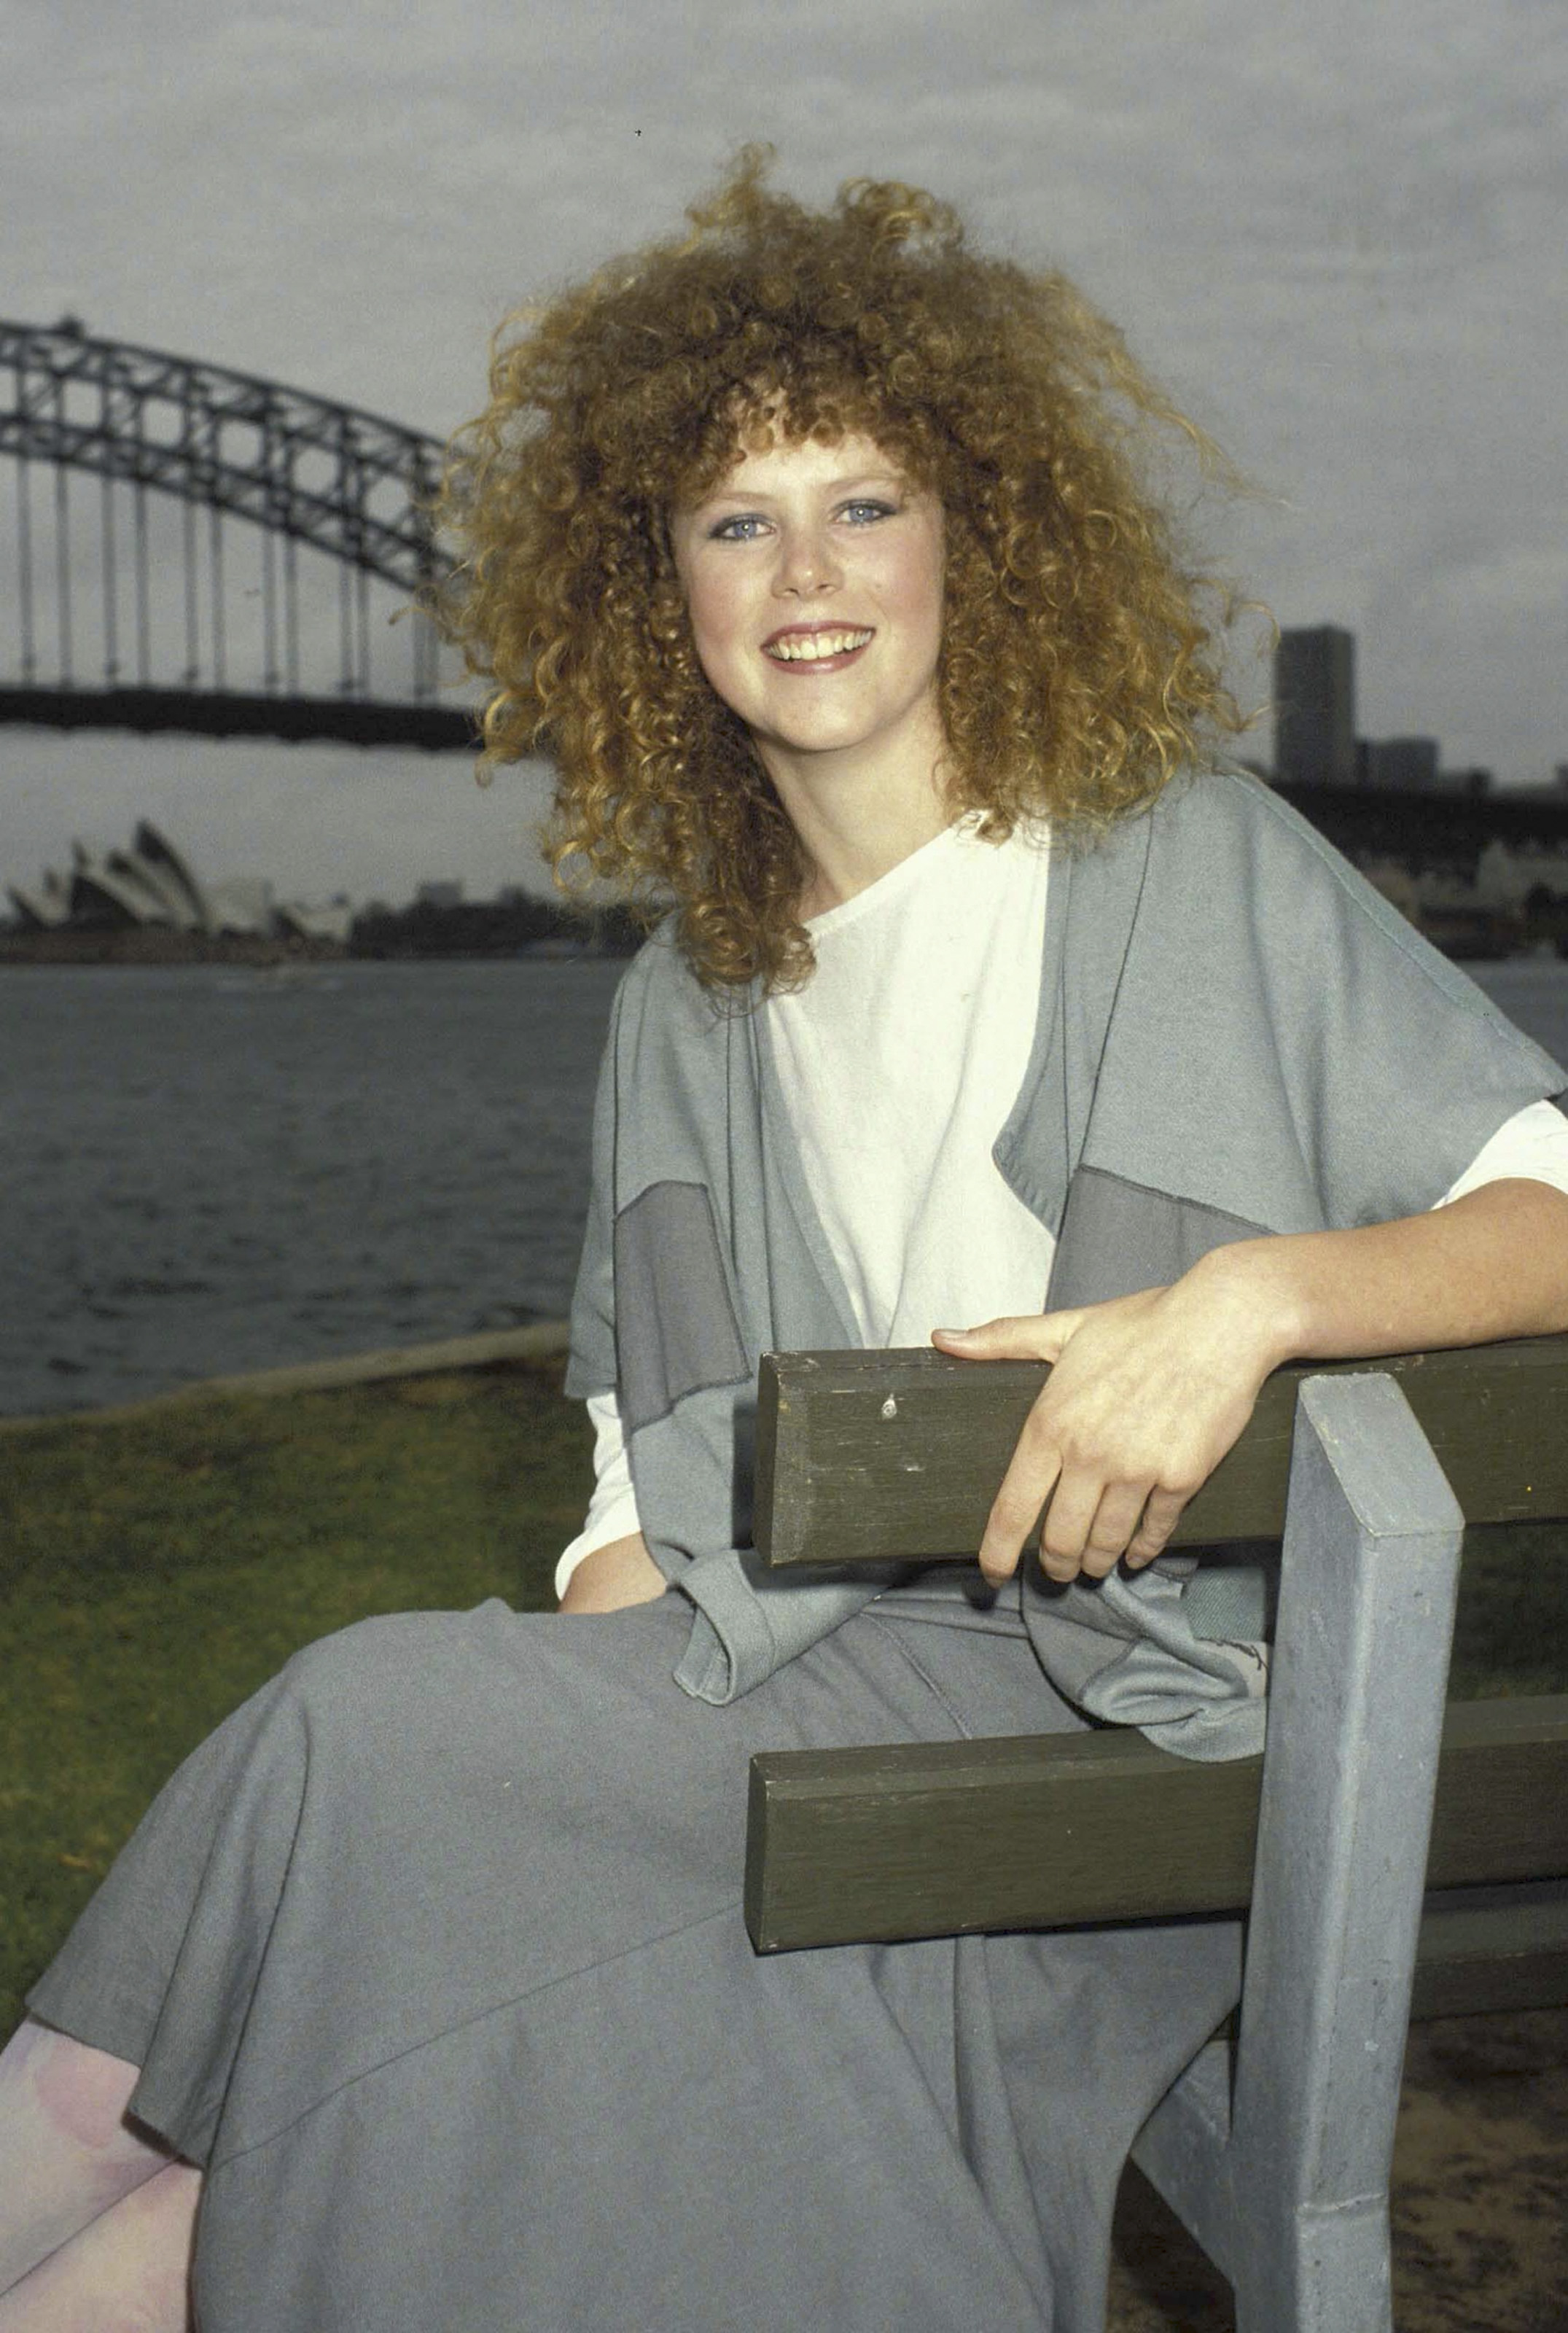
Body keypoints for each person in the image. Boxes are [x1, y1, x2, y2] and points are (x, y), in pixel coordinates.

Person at [4, 149, 1568, 2333]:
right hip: (781, 1741)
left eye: (868, 502)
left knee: (366, 1727)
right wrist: (603, 1718)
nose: (806, 570)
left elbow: (1554, 1201)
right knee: (395, 2023)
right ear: (661, 593)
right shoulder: (682, 997)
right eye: (738, 520)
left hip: (1126, 1766)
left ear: (976, 543)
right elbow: (641, 1493)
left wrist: (1262, 1298)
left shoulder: (1189, 863)